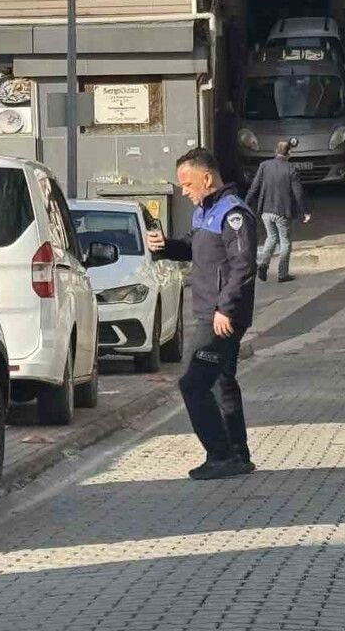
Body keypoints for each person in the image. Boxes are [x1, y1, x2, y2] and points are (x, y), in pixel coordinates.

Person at [146, 149, 258, 480]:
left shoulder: (232, 213)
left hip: (219, 317)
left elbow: (243, 266)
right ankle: (238, 455)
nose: (183, 191)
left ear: (207, 179)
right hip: (208, 311)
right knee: (222, 382)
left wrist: (227, 309)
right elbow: (194, 248)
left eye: (187, 183)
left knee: (193, 383)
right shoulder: (203, 212)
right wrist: (165, 246)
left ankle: (220, 455)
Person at [246, 140, 312, 283]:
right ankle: (282, 274)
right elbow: (298, 193)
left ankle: (263, 265)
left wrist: (245, 204)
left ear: (276, 151)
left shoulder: (264, 166)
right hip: (283, 211)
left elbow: (254, 187)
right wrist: (305, 211)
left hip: (266, 210)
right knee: (285, 241)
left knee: (271, 237)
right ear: (289, 153)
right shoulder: (291, 169)